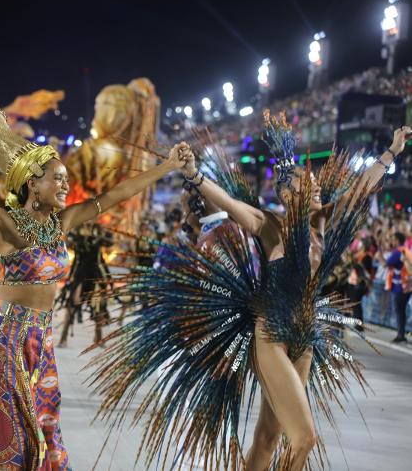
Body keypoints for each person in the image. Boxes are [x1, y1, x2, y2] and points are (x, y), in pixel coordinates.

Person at [88, 116, 409, 471]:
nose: (318, 189)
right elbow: (226, 201)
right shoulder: (268, 224)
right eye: (310, 184)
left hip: (306, 337)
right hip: (271, 333)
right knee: (305, 439)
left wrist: (391, 152)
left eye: (318, 184)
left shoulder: (321, 223)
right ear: (289, 193)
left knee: (269, 438)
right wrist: (194, 174)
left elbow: (360, 189)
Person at [0, 108, 187, 470]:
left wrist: (168, 166)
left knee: (45, 426)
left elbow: (115, 195)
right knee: (8, 432)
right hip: (3, 338)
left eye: (66, 180)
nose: (65, 186)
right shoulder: (5, 224)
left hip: (40, 339)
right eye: (57, 179)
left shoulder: (61, 224)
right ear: (33, 184)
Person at [56, 221, 113, 347]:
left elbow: (110, 242)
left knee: (98, 305)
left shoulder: (99, 231)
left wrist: (100, 238)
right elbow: (68, 243)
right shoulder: (76, 231)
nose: (88, 220)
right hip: (80, 273)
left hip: (95, 273)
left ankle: (98, 338)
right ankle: (63, 338)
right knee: (72, 303)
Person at [385, 231, 411, 343]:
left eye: (393, 239)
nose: (391, 241)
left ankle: (401, 334)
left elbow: (388, 262)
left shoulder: (398, 251)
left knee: (399, 311)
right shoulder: (406, 250)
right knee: (402, 311)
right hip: (407, 285)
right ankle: (401, 333)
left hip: (400, 286)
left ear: (397, 240)